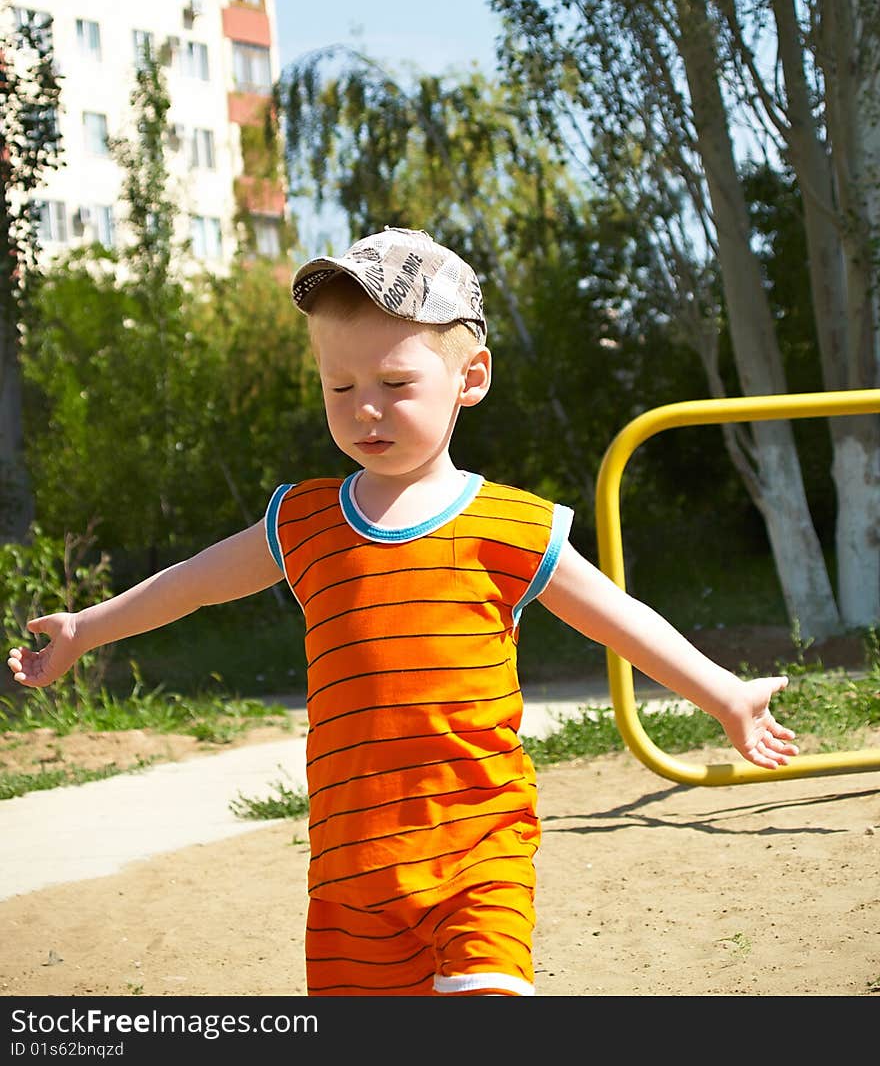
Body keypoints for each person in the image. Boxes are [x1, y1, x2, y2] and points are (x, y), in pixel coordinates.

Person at [7, 227, 798, 998]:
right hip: (352, 866)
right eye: (339, 388)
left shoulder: (511, 524)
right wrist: (88, 626)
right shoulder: (302, 521)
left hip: (478, 844)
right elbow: (192, 583)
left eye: (394, 384)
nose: (365, 411)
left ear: (470, 377)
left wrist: (723, 693)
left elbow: (617, 617)